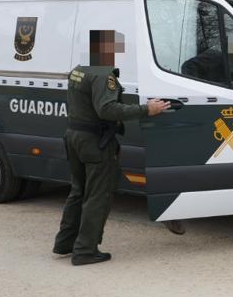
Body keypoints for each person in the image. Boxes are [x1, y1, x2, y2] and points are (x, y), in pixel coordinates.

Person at [53, 30, 171, 266]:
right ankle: (85, 250)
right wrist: (147, 109)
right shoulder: (102, 73)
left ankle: (65, 243)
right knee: (98, 195)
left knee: (78, 191)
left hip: (74, 136)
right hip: (95, 142)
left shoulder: (79, 69)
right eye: (115, 48)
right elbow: (107, 109)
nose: (118, 53)